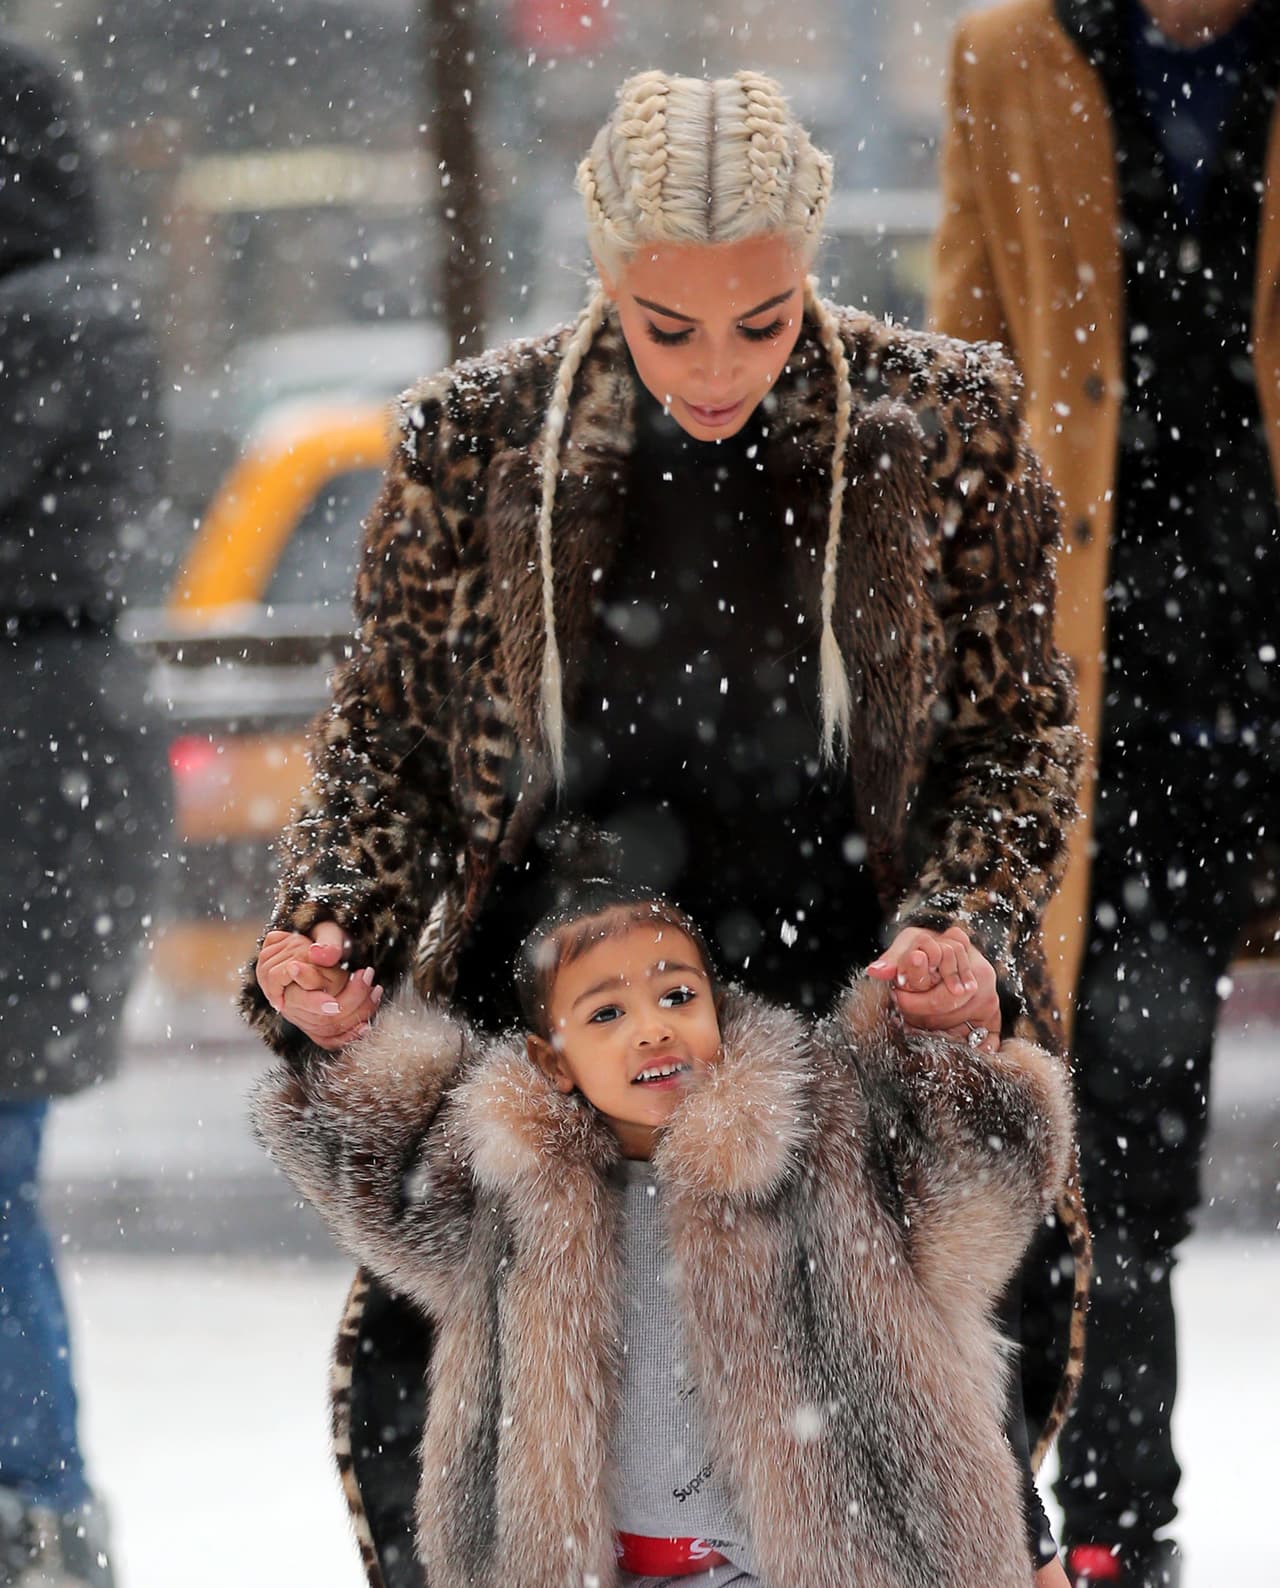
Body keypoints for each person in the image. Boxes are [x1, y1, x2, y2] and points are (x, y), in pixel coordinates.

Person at [244, 69, 1088, 1585]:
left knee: (901, 1486)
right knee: (485, 1470)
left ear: (811, 262)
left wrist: (965, 923)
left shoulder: (942, 424)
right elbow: (387, 744)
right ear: (602, 273)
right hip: (561, 1013)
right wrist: (331, 926)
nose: (717, 368)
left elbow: (1016, 733)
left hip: (842, 1001)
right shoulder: (476, 439)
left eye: (762, 321)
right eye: (667, 324)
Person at [254, 872, 1077, 1588]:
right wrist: (342, 1038)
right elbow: (386, 1177)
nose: (653, 1028)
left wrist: (952, 1037)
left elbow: (978, 1188)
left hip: (827, 1560)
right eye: (607, 1012)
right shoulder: (512, 1180)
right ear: (551, 1061)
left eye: (678, 996)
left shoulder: (818, 1131)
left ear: (719, 1008)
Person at [929, 2, 1280, 1584]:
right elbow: (970, 368)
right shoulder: (1015, 54)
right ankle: (1108, 1534)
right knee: (1107, 1146)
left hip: (1251, 666)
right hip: (1113, 691)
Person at [0, 34, 164, 1588]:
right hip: (57, 769)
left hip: (24, 775)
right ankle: (37, 1501)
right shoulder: (85, 311)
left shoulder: (43, 323)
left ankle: (33, 1502)